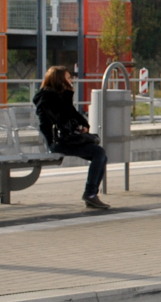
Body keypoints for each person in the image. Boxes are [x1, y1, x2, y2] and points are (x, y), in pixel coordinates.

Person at [33, 66, 109, 210]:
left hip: (65, 139)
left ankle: (91, 194)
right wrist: (68, 95)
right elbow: (61, 117)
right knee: (99, 153)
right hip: (57, 142)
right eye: (68, 78)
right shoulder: (46, 98)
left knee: (101, 155)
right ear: (59, 80)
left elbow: (72, 113)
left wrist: (84, 124)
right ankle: (90, 194)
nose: (71, 81)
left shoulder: (59, 96)